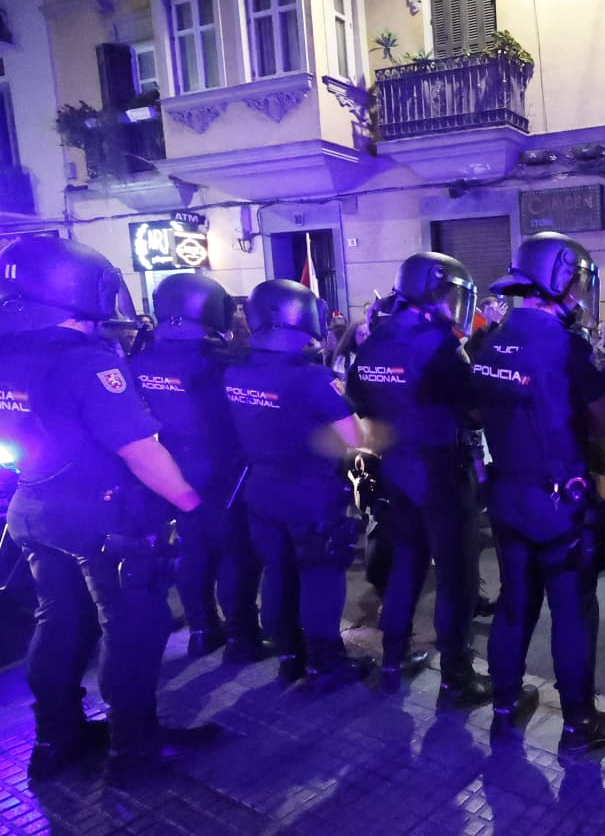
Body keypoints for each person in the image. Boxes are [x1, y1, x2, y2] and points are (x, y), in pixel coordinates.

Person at [0, 236, 218, 781]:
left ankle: (56, 740)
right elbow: (140, 450)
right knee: (134, 627)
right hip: (101, 519)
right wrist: (192, 504)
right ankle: (133, 748)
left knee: (59, 620)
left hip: (32, 506)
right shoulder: (86, 362)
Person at [474, 233, 605, 752]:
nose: (580, 294)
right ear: (558, 278)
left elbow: (476, 410)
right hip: (558, 503)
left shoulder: (490, 340)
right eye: (577, 282)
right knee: (572, 611)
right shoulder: (567, 347)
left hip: (506, 495)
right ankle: (578, 724)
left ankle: (503, 708)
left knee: (514, 605)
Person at [347, 252, 488, 708]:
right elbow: (475, 410)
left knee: (406, 564)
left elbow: (359, 399)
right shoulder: (439, 346)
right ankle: (456, 677)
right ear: (432, 289)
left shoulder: (376, 339)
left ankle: (392, 661)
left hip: (395, 467)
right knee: (456, 576)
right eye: (452, 295)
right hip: (441, 469)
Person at [223, 280, 371, 691]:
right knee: (320, 579)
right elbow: (355, 438)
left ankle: (289, 657)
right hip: (310, 493)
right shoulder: (313, 378)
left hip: (260, 489)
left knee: (277, 573)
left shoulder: (234, 371)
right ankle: (325, 666)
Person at [130, 273, 262, 661]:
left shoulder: (139, 361)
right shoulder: (222, 362)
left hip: (172, 468)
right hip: (225, 468)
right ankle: (241, 637)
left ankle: (202, 631)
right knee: (235, 554)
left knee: (192, 550)